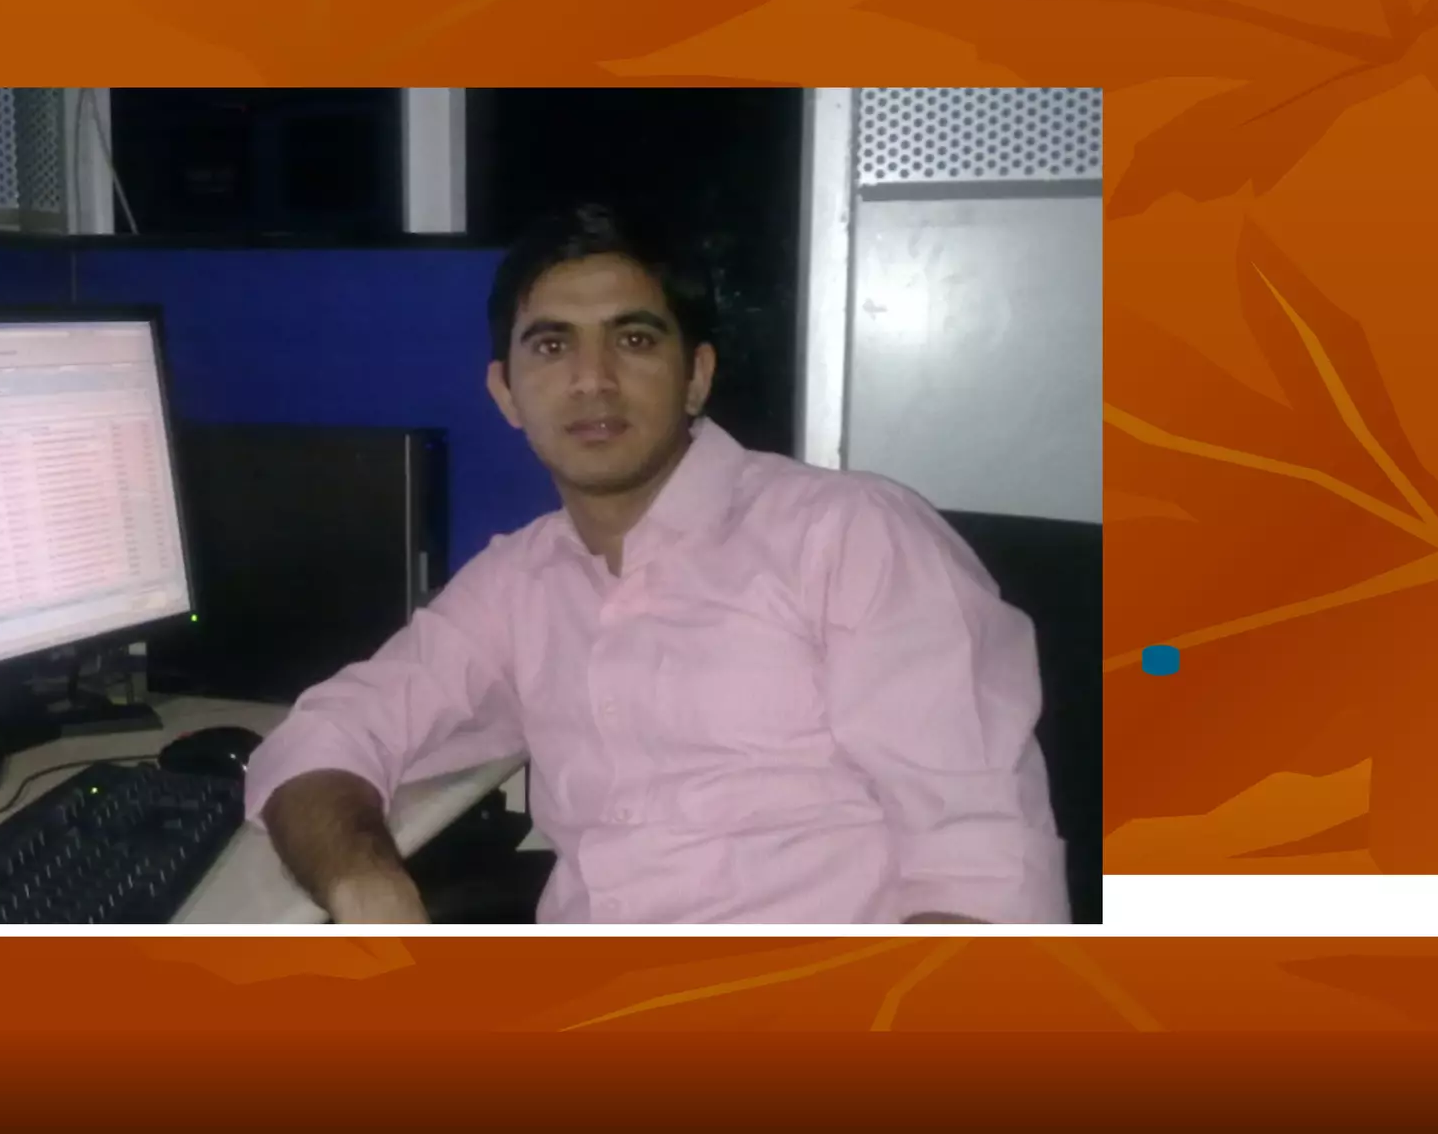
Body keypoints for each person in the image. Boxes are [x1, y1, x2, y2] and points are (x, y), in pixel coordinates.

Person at [244, 202, 1068, 924]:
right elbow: (327, 735)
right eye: (552, 346)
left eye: (634, 340)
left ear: (696, 377)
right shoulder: (518, 584)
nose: (592, 381)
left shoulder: (849, 537)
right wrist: (365, 882)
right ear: (506, 394)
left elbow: (986, 872)